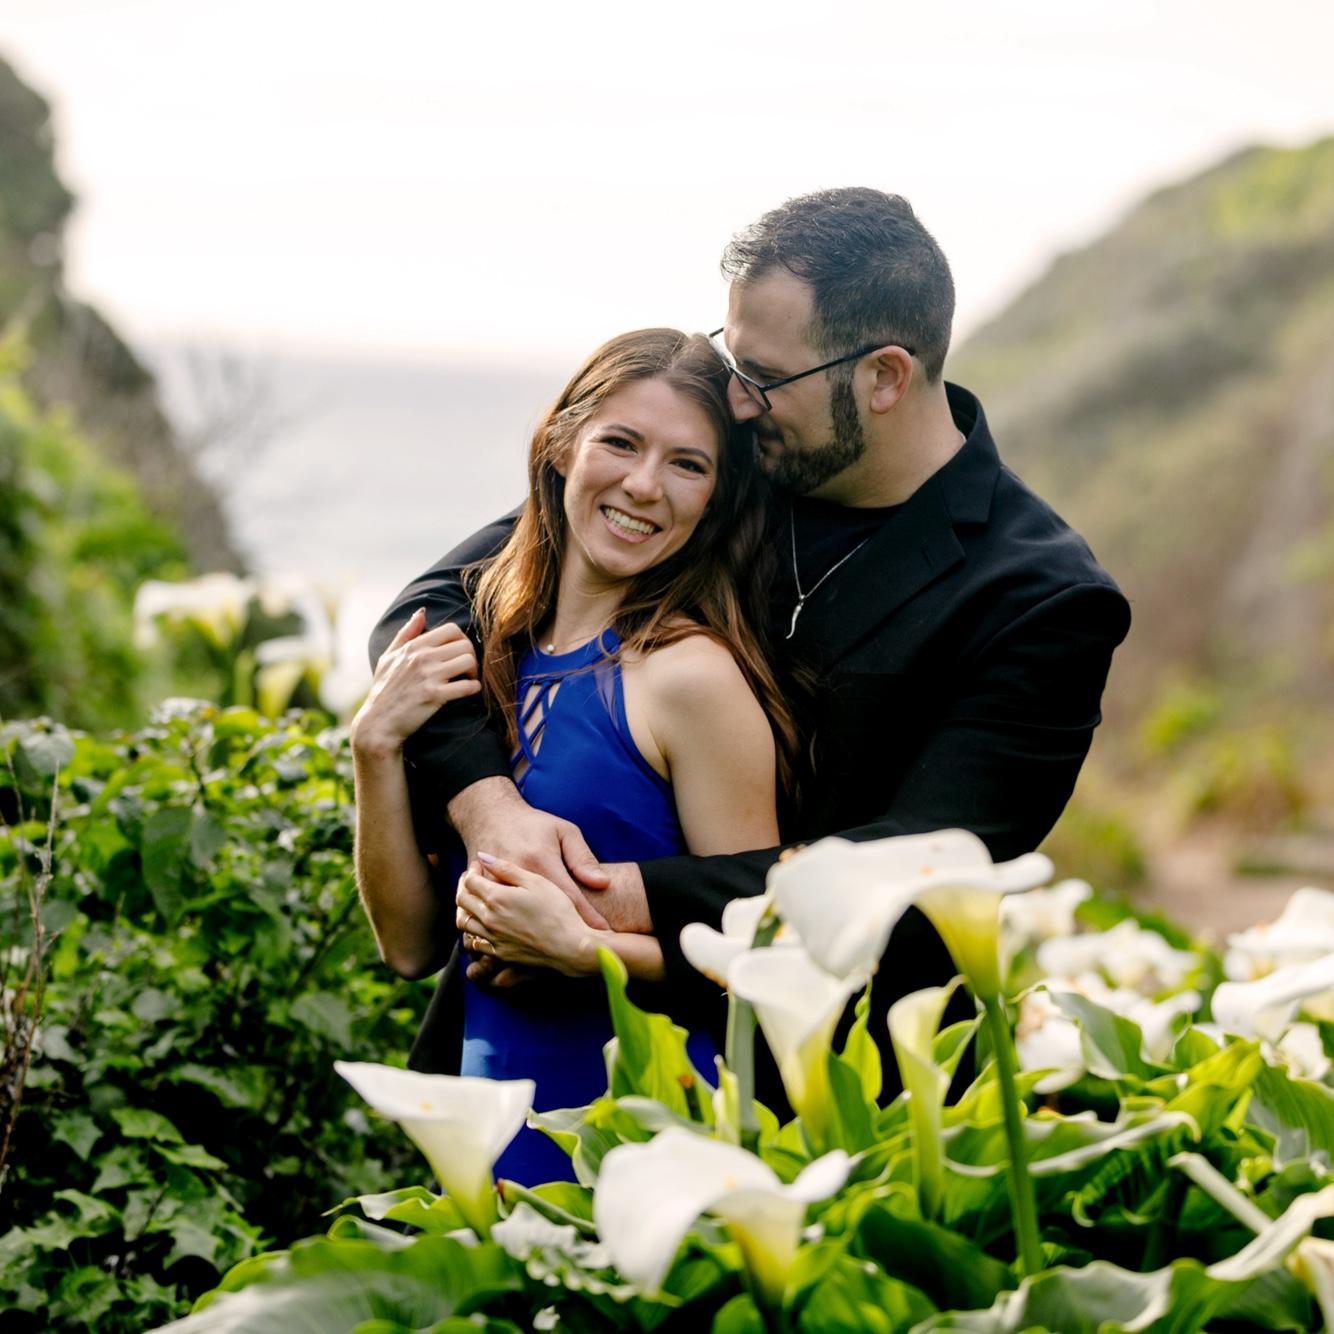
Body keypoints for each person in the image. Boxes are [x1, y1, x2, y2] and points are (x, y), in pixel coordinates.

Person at [370, 187, 1132, 1095]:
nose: (735, 398)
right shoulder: (736, 462)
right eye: (734, 358)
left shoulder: (1042, 602)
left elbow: (916, 876)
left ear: (884, 377)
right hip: (522, 1033)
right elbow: (436, 609)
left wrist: (595, 908)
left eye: (764, 377)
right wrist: (490, 809)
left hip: (827, 1094)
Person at [350, 328, 799, 1181]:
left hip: (646, 1151)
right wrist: (373, 748)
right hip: (489, 1141)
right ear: (561, 445)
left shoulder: (691, 679)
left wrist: (587, 954)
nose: (644, 484)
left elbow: (765, 959)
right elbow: (410, 946)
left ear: (714, 497)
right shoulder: (491, 656)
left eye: (687, 464)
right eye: (621, 443)